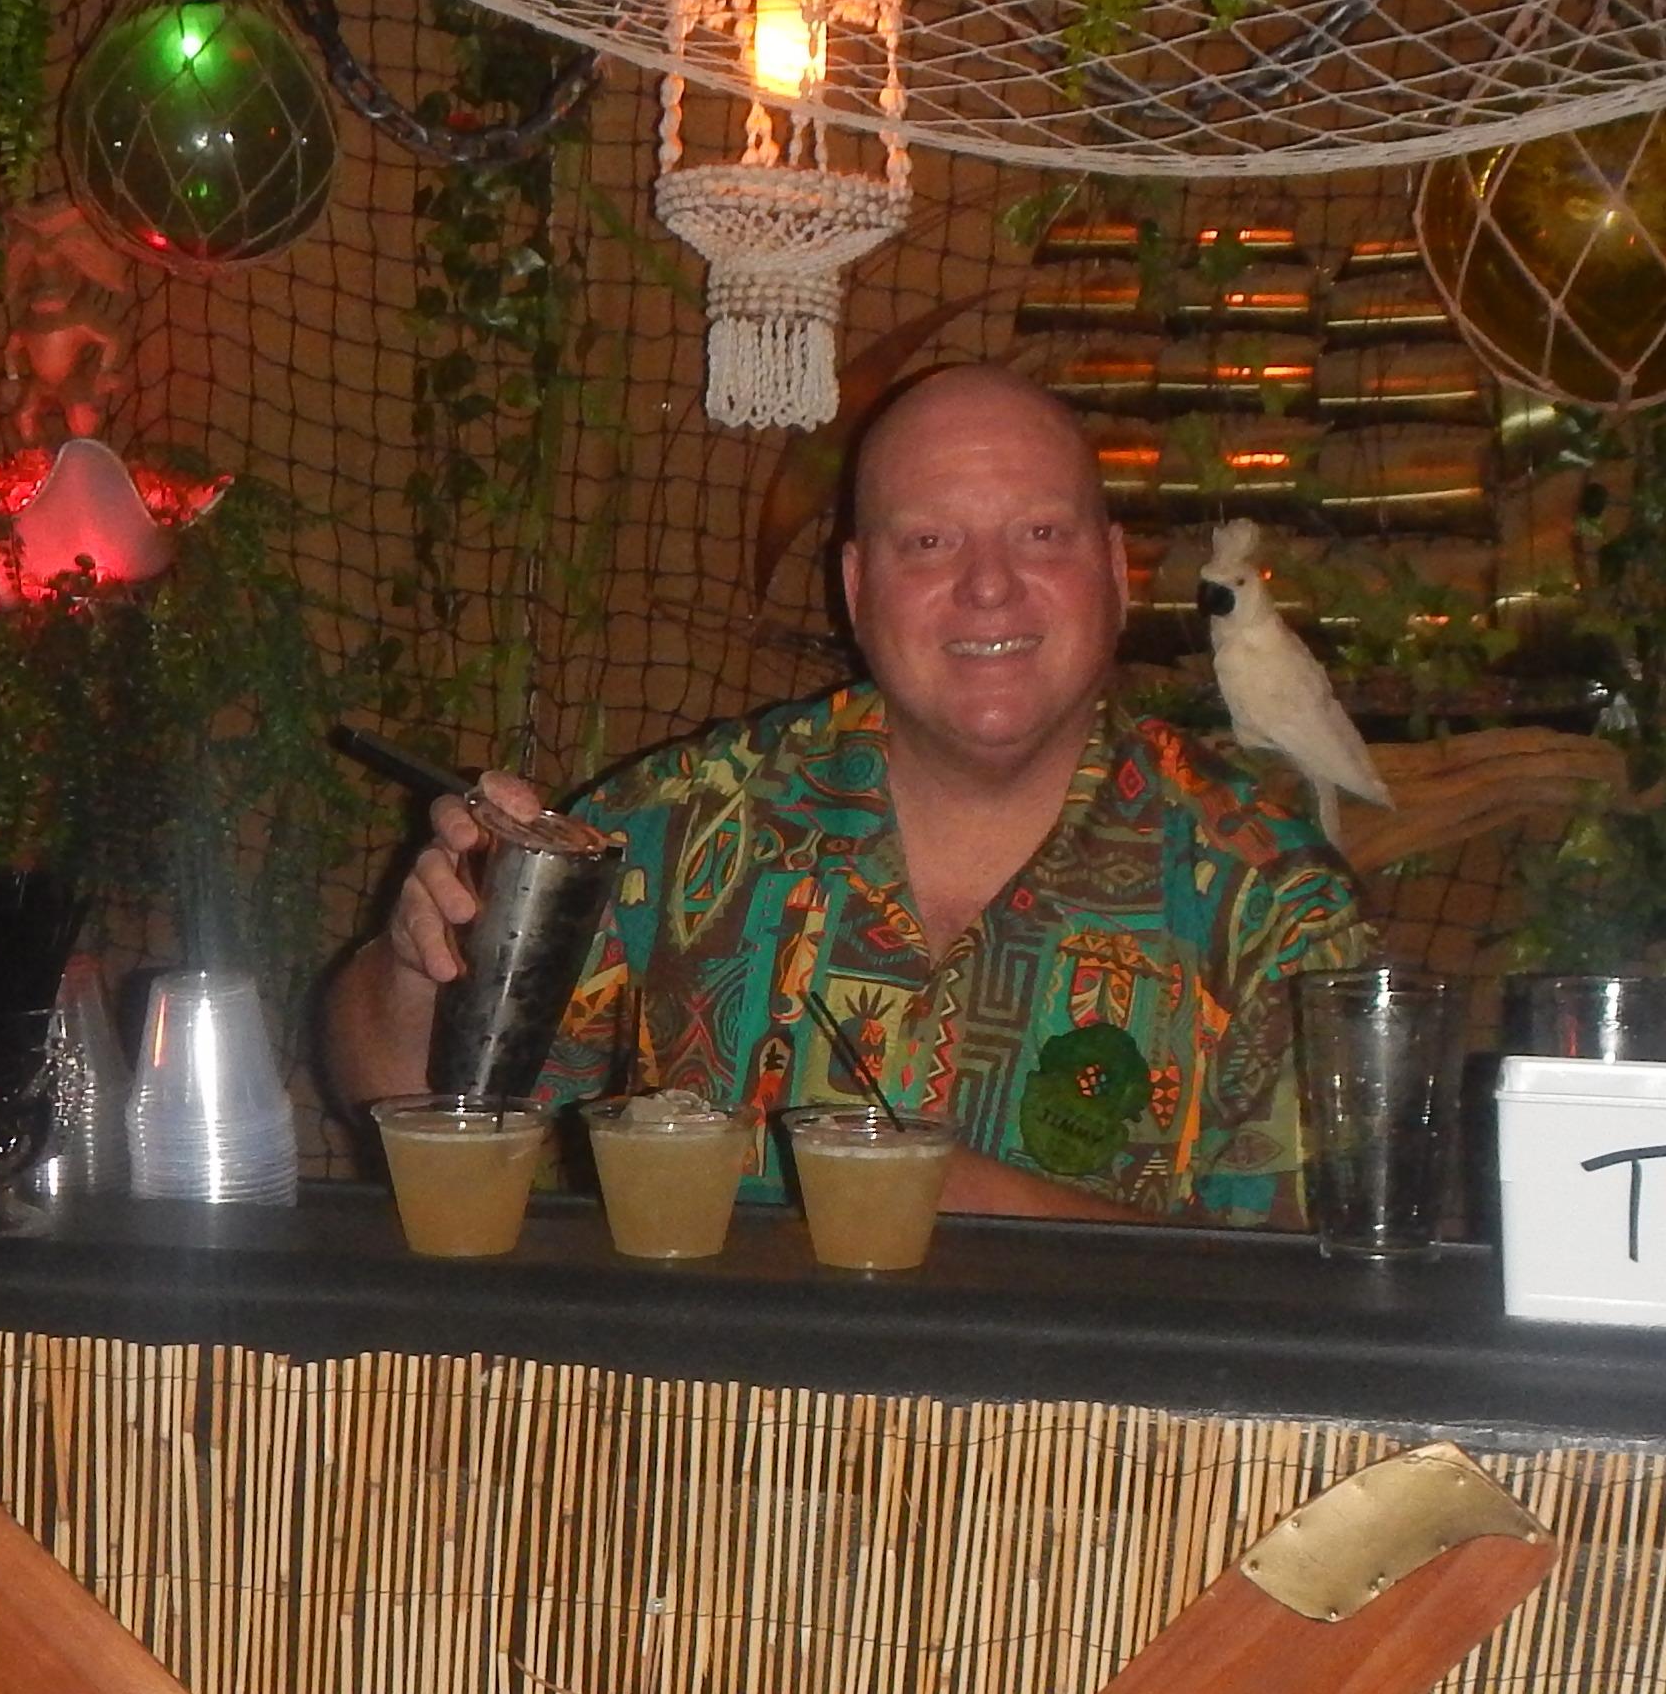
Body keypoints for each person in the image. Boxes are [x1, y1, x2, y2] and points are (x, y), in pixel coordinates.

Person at [324, 364, 1370, 1222]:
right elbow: (415, 1100)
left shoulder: (1269, 900)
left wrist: (950, 1206)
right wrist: (420, 970)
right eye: (930, 542)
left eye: (1041, 535)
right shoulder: (676, 824)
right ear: (858, 589)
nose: (989, 585)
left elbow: (1305, 1299)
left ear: (1116, 573)